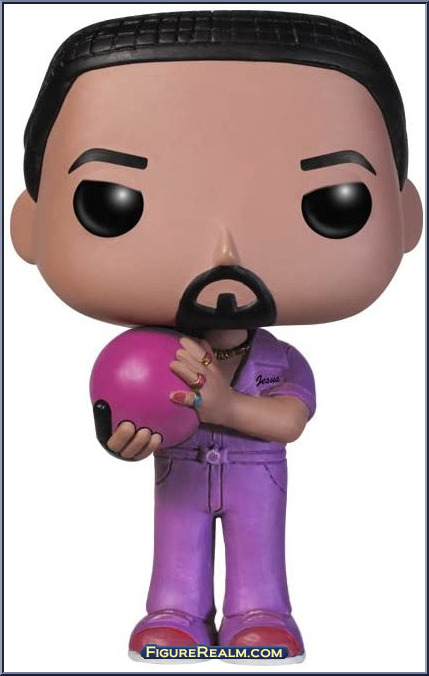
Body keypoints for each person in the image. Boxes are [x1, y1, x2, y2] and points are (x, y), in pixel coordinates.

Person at [11, 10, 422, 663]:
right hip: (178, 471)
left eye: (333, 202)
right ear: (28, 223)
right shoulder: (144, 358)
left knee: (259, 551)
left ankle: (261, 613)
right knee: (176, 546)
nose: (223, 254)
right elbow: (127, 417)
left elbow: (288, 422)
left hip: (258, 476)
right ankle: (174, 612)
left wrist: (223, 406)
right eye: (110, 201)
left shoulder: (279, 359)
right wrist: (123, 437)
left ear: (406, 217)